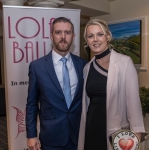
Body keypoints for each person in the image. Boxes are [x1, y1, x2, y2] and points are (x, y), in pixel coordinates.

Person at [77, 19, 145, 150]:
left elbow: (133, 102)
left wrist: (136, 133)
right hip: (91, 129)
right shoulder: (87, 67)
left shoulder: (124, 63)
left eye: (100, 34)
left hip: (116, 132)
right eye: (90, 36)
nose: (95, 39)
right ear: (87, 40)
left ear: (108, 36)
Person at [26, 17, 87, 150]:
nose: (63, 37)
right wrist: (31, 135)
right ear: (51, 36)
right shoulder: (37, 66)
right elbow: (31, 104)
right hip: (50, 138)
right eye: (58, 32)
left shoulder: (83, 64)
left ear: (73, 36)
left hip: (78, 135)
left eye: (68, 32)